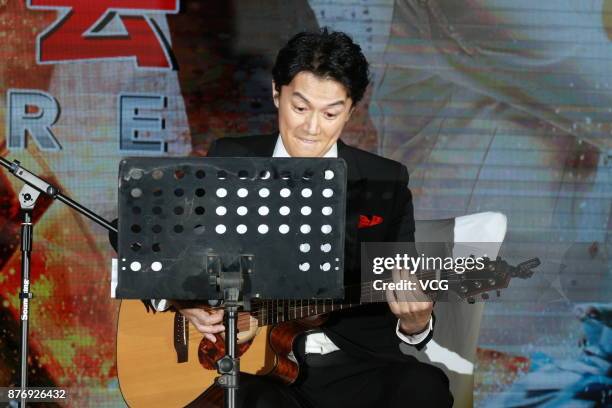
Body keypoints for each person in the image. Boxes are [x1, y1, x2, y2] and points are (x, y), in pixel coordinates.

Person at [172, 29, 453, 407]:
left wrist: (417, 322)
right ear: (276, 93)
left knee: (424, 388)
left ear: (351, 110)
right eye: (300, 107)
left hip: (356, 367)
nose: (312, 127)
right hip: (255, 369)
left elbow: (404, 282)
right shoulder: (233, 157)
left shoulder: (384, 180)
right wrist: (180, 302)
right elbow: (146, 238)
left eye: (331, 113)